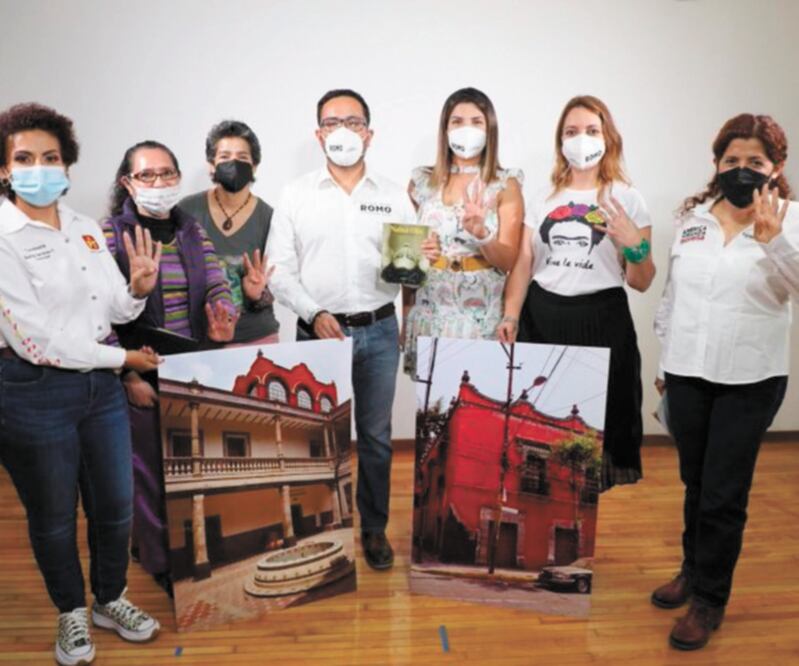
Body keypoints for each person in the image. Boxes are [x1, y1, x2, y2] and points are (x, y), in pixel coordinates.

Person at [0, 103, 161, 666]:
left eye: (50, 157)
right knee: (52, 515)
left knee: (115, 504)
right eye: (24, 158)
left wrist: (137, 289)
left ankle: (109, 598)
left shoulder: (86, 228)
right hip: (31, 392)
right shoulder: (3, 237)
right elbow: (36, 341)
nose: (39, 168)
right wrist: (123, 360)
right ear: (4, 169)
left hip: (100, 390)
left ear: (67, 165)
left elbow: (111, 304)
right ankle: (70, 610)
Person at [651, 114, 798, 650]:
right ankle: (692, 569)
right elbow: (671, 296)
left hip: (750, 378)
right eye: (732, 161)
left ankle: (710, 600)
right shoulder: (693, 219)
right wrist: (665, 366)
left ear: (775, 169)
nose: (742, 170)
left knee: (723, 494)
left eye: (754, 163)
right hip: (688, 374)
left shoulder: (791, 219)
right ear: (717, 164)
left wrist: (776, 242)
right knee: (695, 481)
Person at [268, 89, 416, 570]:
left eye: (353, 122)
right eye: (332, 123)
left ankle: (373, 530)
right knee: (314, 437)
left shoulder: (394, 195)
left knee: (375, 437)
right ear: (318, 135)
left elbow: (407, 267)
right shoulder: (295, 195)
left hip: (377, 331)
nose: (343, 131)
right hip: (318, 332)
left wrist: (419, 263)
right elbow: (279, 269)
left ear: (369, 134)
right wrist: (313, 313)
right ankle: (322, 534)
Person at [498, 95, 655, 489]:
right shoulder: (544, 199)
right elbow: (522, 265)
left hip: (603, 320)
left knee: (596, 431)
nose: (581, 139)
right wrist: (511, 314)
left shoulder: (626, 198)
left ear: (608, 138)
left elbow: (641, 279)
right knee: (544, 426)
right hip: (543, 317)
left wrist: (633, 244)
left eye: (591, 130)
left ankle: (580, 535)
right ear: (560, 141)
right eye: (571, 132)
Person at [103, 140, 237, 594]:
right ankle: (160, 561)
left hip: (191, 365)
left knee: (189, 467)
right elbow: (95, 311)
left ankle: (184, 549)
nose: (159, 183)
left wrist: (224, 310)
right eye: (147, 175)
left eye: (166, 174)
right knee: (150, 472)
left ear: (179, 178)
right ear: (127, 182)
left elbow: (216, 279)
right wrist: (129, 374)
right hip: (139, 366)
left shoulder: (191, 230)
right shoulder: (106, 234)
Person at [403, 87, 524, 374]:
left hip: (481, 318)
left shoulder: (505, 184)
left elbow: (508, 260)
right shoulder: (421, 182)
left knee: (476, 404)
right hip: (429, 313)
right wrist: (406, 312)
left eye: (476, 122)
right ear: (444, 129)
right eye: (457, 122)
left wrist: (482, 234)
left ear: (489, 129)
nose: (466, 129)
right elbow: (403, 255)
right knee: (432, 408)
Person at [179, 120, 278, 346]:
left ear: (254, 166)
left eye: (242, 158)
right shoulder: (187, 210)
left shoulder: (271, 218)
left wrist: (257, 295)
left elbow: (279, 282)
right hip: (198, 338)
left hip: (255, 338)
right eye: (224, 157)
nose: (233, 163)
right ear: (211, 165)